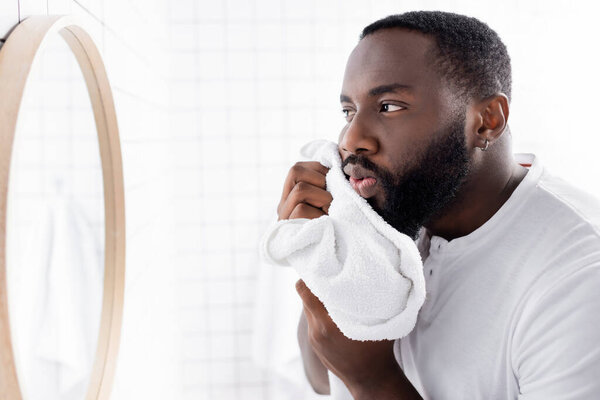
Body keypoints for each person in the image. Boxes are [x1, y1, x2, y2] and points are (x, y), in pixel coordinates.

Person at [276, 11, 600, 400]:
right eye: (349, 111)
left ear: (486, 121)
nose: (351, 138)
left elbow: (354, 373)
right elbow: (322, 377)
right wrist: (321, 253)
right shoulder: (393, 212)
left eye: (389, 107)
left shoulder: (580, 279)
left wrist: (373, 380)